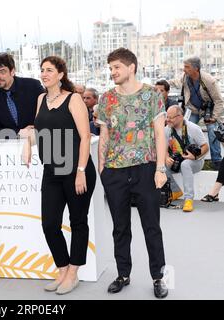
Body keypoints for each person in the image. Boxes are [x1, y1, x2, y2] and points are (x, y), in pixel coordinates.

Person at [96, 48, 169, 299]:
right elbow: (104, 135)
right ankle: (123, 274)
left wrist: (161, 169)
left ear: (131, 67)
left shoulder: (152, 95)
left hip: (145, 169)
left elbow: (160, 134)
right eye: (111, 68)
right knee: (120, 227)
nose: (112, 72)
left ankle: (159, 277)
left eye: (116, 67)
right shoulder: (106, 99)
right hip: (114, 171)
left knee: (152, 226)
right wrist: (102, 168)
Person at [22, 56, 96, 295]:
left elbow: (85, 137)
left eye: (49, 70)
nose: (44, 74)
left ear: (61, 74)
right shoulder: (41, 98)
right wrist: (27, 142)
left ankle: (73, 273)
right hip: (51, 170)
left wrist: (81, 171)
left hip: (76, 170)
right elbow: (39, 131)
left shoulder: (74, 99)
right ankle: (62, 269)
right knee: (50, 224)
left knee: (78, 221)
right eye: (42, 70)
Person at [168, 57, 224, 170]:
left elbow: (219, 101)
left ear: (196, 69)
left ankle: (216, 161)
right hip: (193, 109)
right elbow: (176, 82)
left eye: (187, 67)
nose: (184, 69)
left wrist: (214, 117)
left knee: (213, 131)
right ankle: (188, 155)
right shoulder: (186, 78)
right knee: (184, 128)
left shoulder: (209, 81)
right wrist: (164, 83)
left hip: (209, 111)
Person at [0, 52, 45, 138]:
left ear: (12, 71)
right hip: (8, 147)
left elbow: (48, 113)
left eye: (2, 71)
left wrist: (35, 130)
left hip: (38, 141)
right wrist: (19, 133)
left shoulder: (33, 86)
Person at [165, 105, 209, 212]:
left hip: (195, 162)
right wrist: (166, 158)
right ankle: (175, 191)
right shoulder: (166, 130)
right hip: (177, 161)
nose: (167, 120)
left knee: (186, 164)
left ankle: (188, 199)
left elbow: (205, 147)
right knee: (160, 164)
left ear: (180, 117)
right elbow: (163, 149)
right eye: (167, 117)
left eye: (170, 117)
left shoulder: (193, 128)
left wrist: (194, 156)